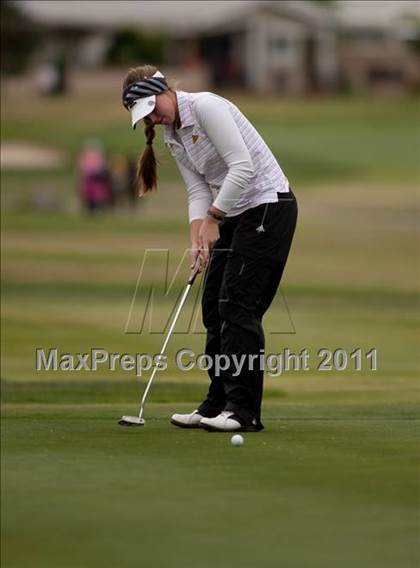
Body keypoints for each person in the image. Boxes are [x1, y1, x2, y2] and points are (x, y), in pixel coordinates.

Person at [122, 65, 298, 432]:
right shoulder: (173, 135)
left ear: (164, 91)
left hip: (267, 206)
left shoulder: (206, 108)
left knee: (238, 306)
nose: (154, 118)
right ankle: (216, 403)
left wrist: (213, 220)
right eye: (146, 116)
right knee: (213, 310)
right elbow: (198, 190)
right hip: (231, 212)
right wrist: (196, 237)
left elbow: (243, 168)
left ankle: (243, 411)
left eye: (153, 108)